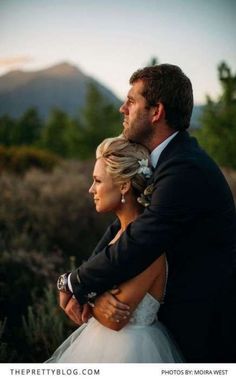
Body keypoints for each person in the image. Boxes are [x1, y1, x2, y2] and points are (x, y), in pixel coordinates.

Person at [57, 64, 236, 363]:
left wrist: (76, 282)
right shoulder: (163, 160)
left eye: (131, 101)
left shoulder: (184, 169)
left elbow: (141, 240)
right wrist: (87, 286)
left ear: (156, 111)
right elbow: (124, 227)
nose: (121, 108)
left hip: (203, 325)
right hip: (170, 314)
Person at [46, 136, 183, 363]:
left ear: (123, 185)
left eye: (98, 181)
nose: (91, 189)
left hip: (133, 352)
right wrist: (93, 296)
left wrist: (88, 297)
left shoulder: (148, 246)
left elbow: (115, 319)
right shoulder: (118, 234)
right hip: (99, 345)